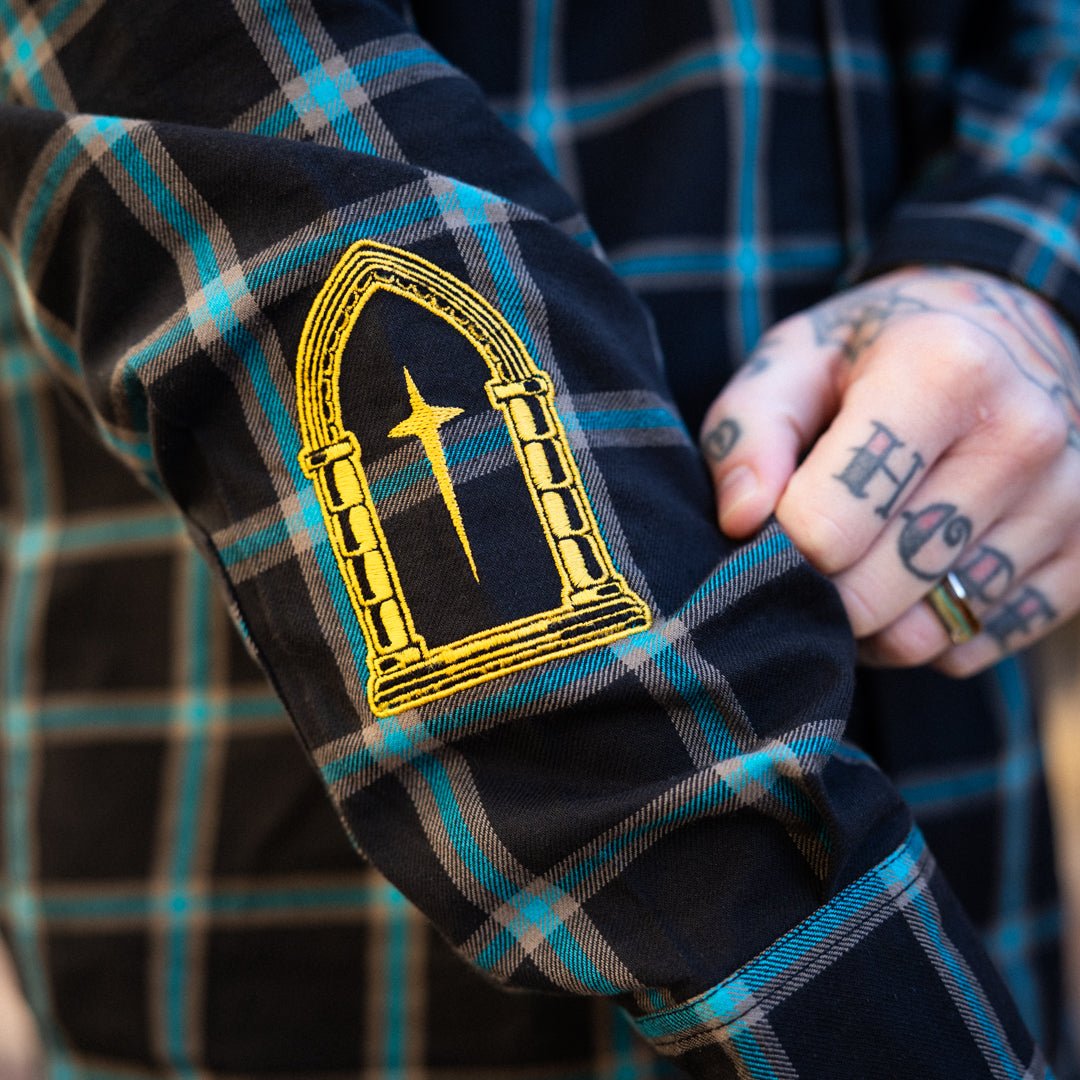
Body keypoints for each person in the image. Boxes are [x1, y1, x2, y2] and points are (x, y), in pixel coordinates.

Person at [0, 0, 1077, 1076]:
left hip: (963, 834)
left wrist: (1018, 260)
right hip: (313, 940)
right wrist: (879, 1021)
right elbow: (247, 142)